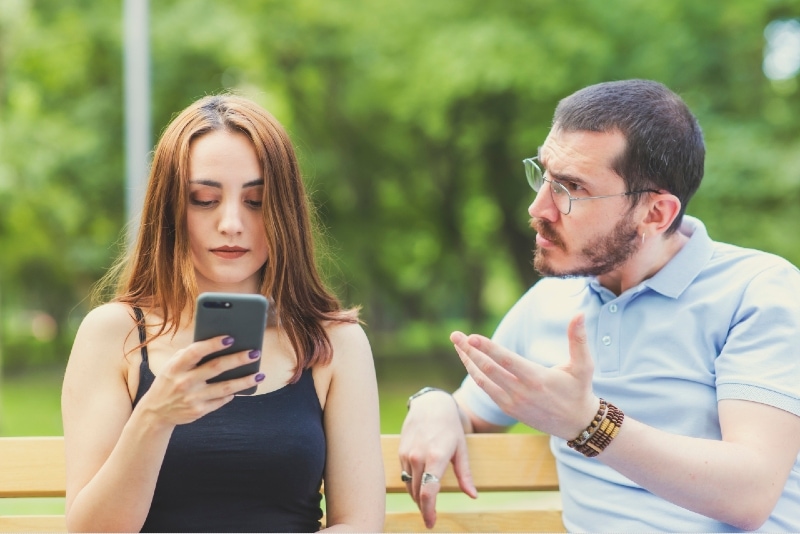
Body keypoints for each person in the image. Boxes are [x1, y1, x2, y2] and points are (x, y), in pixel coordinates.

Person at [398, 79, 800, 532]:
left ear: (656, 214)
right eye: (544, 175)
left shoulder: (759, 291)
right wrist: (433, 403)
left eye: (571, 188)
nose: (538, 208)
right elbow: (469, 411)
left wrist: (588, 423)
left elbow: (751, 492)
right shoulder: (552, 300)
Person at [61, 94, 385, 532]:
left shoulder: (335, 343)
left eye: (256, 201)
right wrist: (155, 416)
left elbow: (361, 524)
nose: (232, 222)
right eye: (204, 199)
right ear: (172, 209)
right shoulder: (114, 334)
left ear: (284, 211)